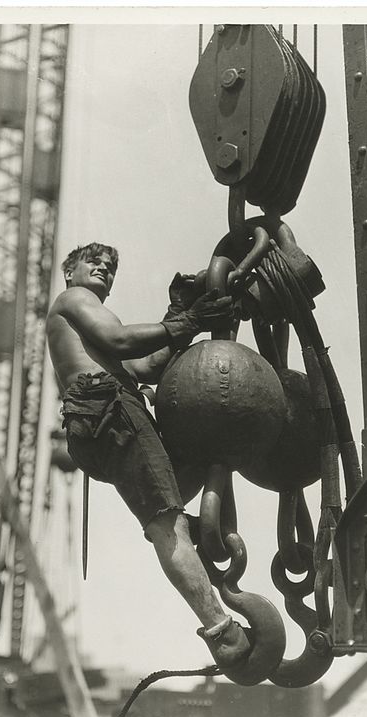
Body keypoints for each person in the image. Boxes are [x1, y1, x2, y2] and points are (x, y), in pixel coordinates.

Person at [46, 242, 251, 669]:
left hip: (100, 422)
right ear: (70, 273)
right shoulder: (74, 300)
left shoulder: (84, 336)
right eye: (93, 262)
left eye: (110, 266)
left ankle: (187, 533)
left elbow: (144, 368)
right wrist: (189, 320)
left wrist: (181, 320)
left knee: (183, 476)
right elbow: (120, 341)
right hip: (110, 408)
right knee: (165, 524)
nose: (104, 267)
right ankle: (222, 632)